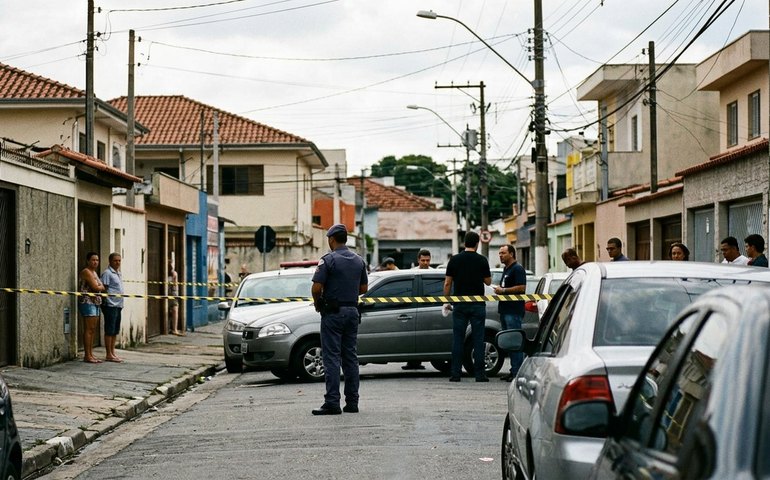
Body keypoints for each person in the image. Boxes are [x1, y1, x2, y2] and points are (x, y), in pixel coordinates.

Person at [311, 224, 368, 415]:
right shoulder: (359, 260)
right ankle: (352, 402)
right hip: (352, 311)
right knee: (350, 357)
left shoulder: (328, 260)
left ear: (331, 239)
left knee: (331, 357)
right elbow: (363, 289)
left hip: (333, 313)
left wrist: (318, 304)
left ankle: (332, 402)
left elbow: (316, 288)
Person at [444, 231, 492, 382]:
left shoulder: (454, 260)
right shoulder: (482, 260)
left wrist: (446, 300)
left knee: (458, 339)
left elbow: (447, 283)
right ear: (477, 243)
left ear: (464, 243)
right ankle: (479, 374)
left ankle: (455, 373)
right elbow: (488, 282)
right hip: (477, 304)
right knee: (478, 339)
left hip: (459, 304)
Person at [494, 244, 527, 382]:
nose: (500, 255)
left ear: (511, 254)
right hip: (505, 310)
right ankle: (513, 370)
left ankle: (518, 372)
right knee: (509, 343)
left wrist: (504, 291)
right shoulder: (506, 269)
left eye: (503, 253)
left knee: (515, 342)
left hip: (513, 311)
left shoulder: (517, 269)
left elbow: (521, 287)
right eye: (499, 253)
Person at [403, 249, 432, 370]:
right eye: (423, 260)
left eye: (428, 260)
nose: (425, 263)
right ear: (418, 260)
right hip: (412, 308)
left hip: (427, 309)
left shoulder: (433, 272)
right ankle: (412, 362)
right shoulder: (412, 273)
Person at [79, 252, 105, 364]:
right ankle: (87, 355)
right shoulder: (86, 272)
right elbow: (96, 287)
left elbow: (102, 287)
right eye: (93, 260)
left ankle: (91, 354)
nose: (95, 262)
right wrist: (100, 286)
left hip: (95, 302)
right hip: (87, 302)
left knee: (93, 329)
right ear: (88, 261)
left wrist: (100, 287)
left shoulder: (94, 272)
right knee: (89, 329)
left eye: (97, 260)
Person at [100, 252, 125, 363]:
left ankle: (113, 352)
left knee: (115, 330)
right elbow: (104, 288)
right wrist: (106, 301)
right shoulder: (107, 273)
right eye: (115, 260)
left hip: (118, 305)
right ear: (110, 261)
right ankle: (108, 354)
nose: (117, 262)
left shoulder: (118, 273)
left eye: (119, 260)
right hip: (110, 305)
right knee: (109, 330)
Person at [168, 260, 184, 336]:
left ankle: (174, 328)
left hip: (173, 294)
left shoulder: (174, 273)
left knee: (175, 310)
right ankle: (172, 328)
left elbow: (174, 284)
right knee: (173, 310)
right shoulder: (165, 273)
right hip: (167, 294)